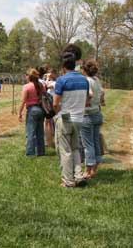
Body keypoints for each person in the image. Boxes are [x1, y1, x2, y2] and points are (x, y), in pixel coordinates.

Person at [53, 51, 90, 188]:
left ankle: (68, 181)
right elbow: (87, 101)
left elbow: (55, 104)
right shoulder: (84, 80)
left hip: (66, 117)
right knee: (75, 149)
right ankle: (78, 176)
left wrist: (58, 114)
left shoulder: (61, 80)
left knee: (65, 150)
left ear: (63, 66)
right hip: (79, 118)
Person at [81, 60, 104, 179]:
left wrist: (86, 102)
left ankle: (87, 170)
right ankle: (94, 169)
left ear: (84, 70)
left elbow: (89, 94)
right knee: (95, 141)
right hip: (97, 113)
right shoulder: (97, 80)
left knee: (87, 144)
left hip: (87, 115)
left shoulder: (86, 81)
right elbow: (102, 93)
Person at [18, 68, 45, 156]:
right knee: (40, 133)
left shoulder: (27, 86)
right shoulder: (41, 85)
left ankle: (30, 152)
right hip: (41, 110)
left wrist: (19, 113)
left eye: (26, 75)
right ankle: (41, 152)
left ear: (29, 76)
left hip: (32, 110)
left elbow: (23, 101)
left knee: (30, 132)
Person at [44, 69, 57, 147]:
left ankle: (49, 141)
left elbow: (45, 86)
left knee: (48, 122)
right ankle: (50, 140)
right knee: (49, 122)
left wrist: (47, 78)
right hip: (50, 104)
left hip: (51, 105)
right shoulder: (52, 82)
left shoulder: (55, 83)